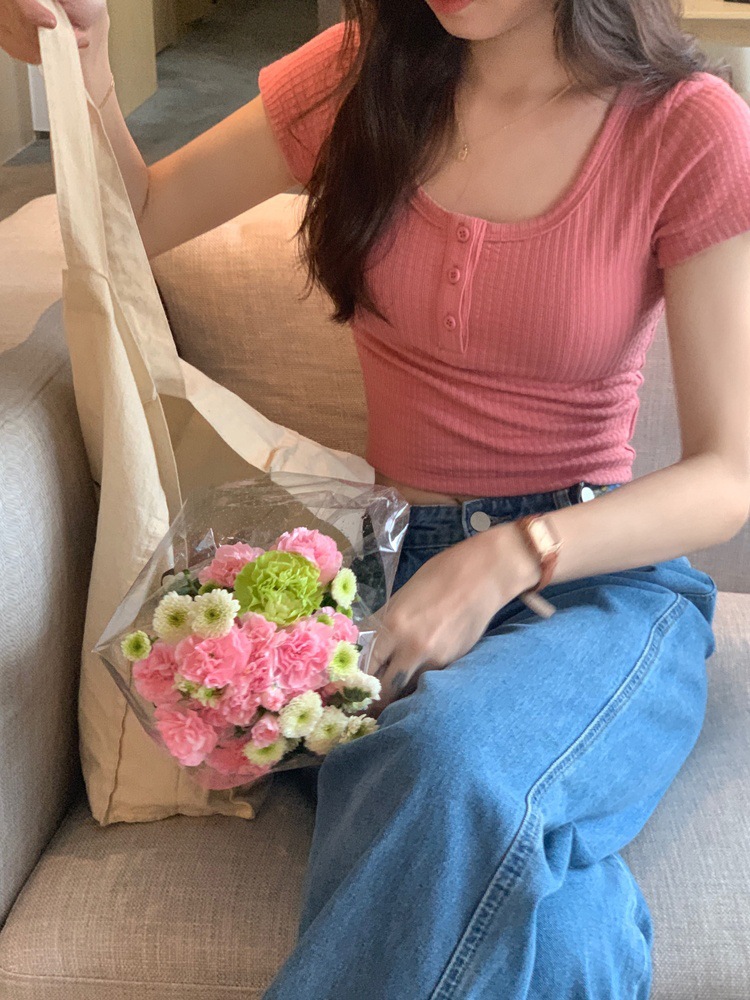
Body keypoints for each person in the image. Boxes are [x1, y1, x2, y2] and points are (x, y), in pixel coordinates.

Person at [4, 0, 750, 995]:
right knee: (569, 936)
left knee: (446, 756)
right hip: (383, 591)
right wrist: (90, 64)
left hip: (597, 588)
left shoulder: (686, 124)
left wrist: (510, 553)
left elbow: (728, 476)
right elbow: (131, 225)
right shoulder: (361, 75)